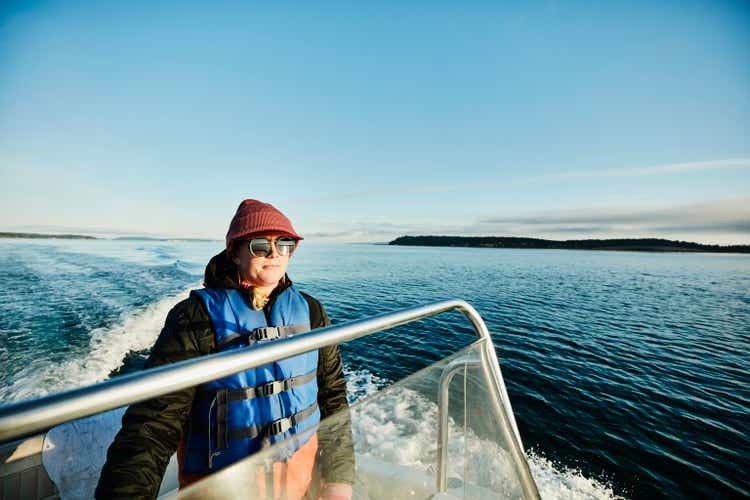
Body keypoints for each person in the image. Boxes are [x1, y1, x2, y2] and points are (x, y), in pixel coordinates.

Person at [96, 199, 355, 500]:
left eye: (284, 244)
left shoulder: (312, 312)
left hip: (302, 481)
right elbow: (153, 424)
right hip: (224, 489)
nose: (274, 253)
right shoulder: (195, 317)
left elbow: (333, 397)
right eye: (261, 245)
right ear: (235, 251)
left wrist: (339, 477)